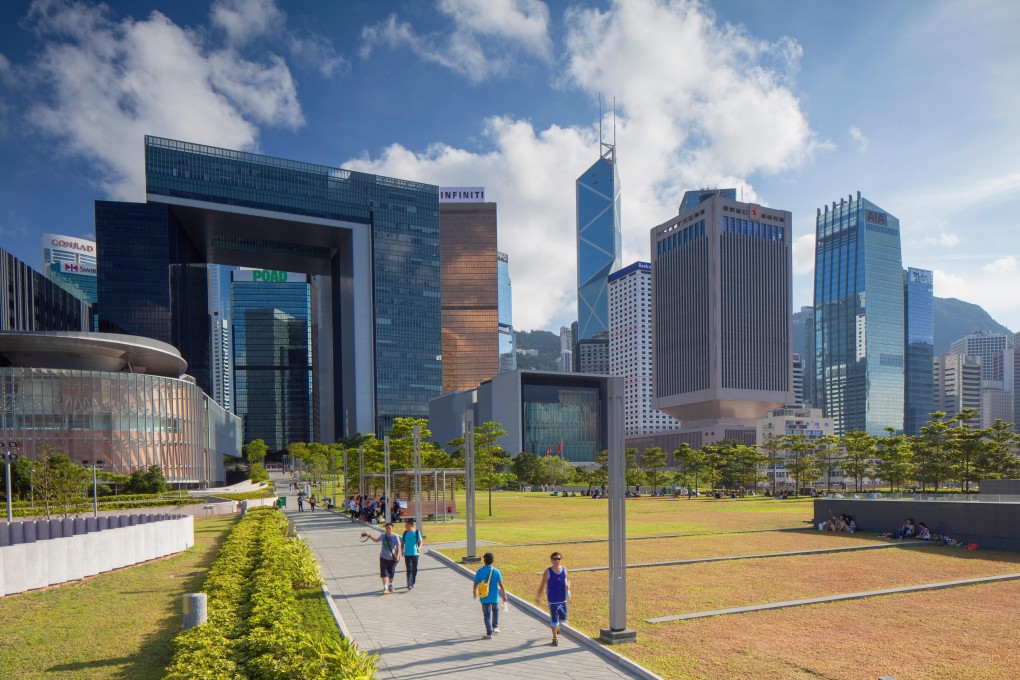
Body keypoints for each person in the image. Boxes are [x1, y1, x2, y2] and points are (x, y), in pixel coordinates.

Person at [536, 551, 570, 646]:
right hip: (553, 600)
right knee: (554, 619)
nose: (557, 561)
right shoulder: (548, 571)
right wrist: (538, 597)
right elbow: (542, 585)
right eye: (555, 559)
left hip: (563, 599)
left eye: (558, 559)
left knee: (563, 617)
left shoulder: (565, 569)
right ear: (551, 560)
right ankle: (555, 637)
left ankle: (557, 628)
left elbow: (568, 579)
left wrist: (568, 586)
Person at [472, 552, 507, 639]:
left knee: (486, 615)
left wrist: (474, 592)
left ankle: (489, 633)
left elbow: (475, 583)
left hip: (484, 597)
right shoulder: (496, 571)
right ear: (493, 561)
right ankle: (495, 626)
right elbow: (501, 584)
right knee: (495, 610)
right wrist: (504, 595)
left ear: (484, 561)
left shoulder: (480, 571)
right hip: (494, 597)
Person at [364, 523, 402, 594]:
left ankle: (390, 584)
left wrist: (397, 555)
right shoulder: (383, 535)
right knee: (383, 573)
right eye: (387, 528)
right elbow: (376, 540)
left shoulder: (395, 537)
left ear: (392, 529)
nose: (388, 530)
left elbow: (398, 547)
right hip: (383, 558)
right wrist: (369, 536)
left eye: (389, 528)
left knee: (391, 573)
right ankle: (385, 587)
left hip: (391, 558)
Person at [402, 518, 424, 589]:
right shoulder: (405, 533)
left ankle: (412, 582)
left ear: (411, 525)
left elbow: (420, 542)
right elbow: (402, 543)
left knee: (414, 569)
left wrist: (419, 548)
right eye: (405, 524)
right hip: (407, 554)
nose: (405, 525)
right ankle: (409, 584)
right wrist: (402, 550)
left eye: (407, 524)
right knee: (409, 569)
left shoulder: (417, 533)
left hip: (415, 554)